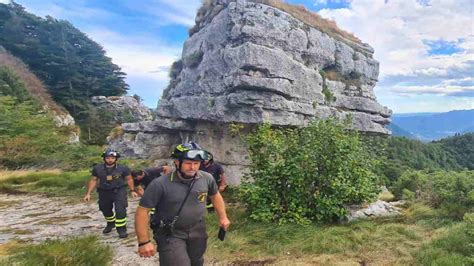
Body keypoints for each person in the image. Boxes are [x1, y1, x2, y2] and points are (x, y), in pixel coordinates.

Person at [135, 142, 231, 265]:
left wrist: (223, 217)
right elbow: (142, 211)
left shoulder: (206, 178)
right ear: (176, 162)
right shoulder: (159, 184)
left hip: (198, 230)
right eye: (188, 163)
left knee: (196, 262)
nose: (193, 167)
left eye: (196, 163)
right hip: (170, 233)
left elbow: (215, 195)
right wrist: (144, 241)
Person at [83, 148, 137, 238]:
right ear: (104, 158)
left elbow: (129, 179)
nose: (110, 160)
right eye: (108, 158)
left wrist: (132, 190)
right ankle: (111, 223)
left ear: (116, 159)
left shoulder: (123, 168)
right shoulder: (97, 168)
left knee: (120, 210)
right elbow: (93, 180)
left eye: (112, 158)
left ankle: (121, 229)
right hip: (104, 192)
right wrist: (88, 193)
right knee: (105, 209)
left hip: (119, 191)